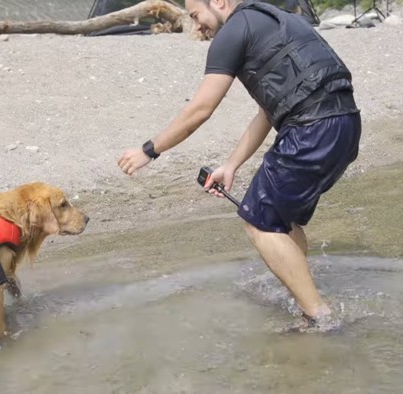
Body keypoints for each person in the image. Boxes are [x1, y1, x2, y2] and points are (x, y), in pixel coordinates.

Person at [117, 0, 361, 331]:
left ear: (218, 2)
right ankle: (305, 297)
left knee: (259, 220)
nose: (196, 26)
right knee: (281, 220)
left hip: (312, 128)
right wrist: (231, 165)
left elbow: (201, 109)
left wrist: (150, 150)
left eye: (195, 16)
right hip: (344, 124)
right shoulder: (279, 21)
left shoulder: (232, 32)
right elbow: (267, 111)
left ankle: (320, 319)